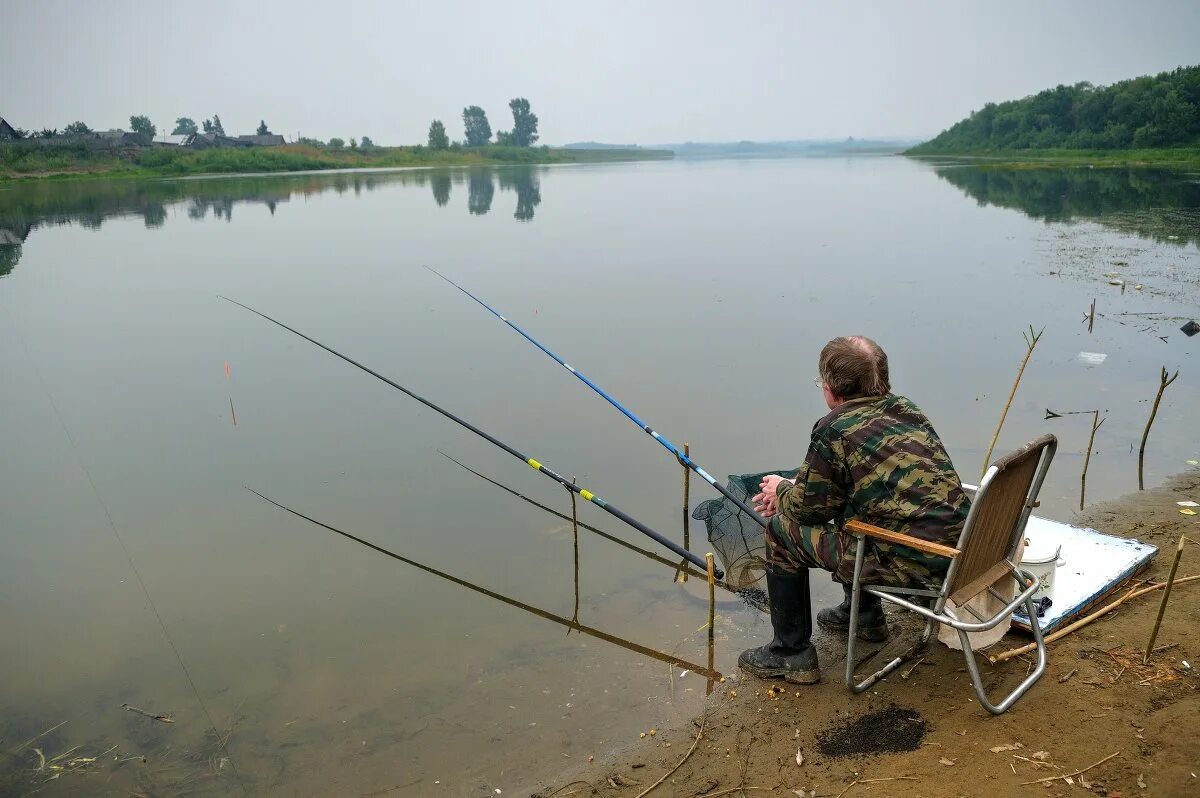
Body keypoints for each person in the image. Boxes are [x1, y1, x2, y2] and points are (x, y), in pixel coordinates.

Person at [739, 336, 970, 685]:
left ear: (831, 389)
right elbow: (849, 485)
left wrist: (782, 491)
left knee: (780, 534)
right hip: (961, 552)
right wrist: (793, 486)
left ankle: (791, 654)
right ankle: (864, 616)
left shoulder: (834, 429)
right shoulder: (906, 410)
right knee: (854, 501)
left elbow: (807, 512)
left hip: (912, 564)